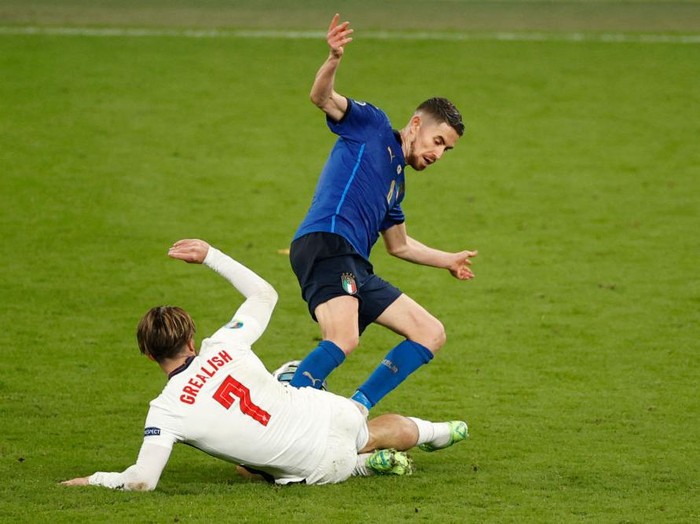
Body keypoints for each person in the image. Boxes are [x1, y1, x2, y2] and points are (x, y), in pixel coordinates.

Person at [61, 239, 468, 490]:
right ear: (191, 339)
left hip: (319, 467)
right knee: (319, 396)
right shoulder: (225, 343)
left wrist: (95, 479)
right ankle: (434, 431)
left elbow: (141, 481)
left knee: (253, 462)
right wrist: (210, 255)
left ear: (148, 355)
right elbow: (264, 294)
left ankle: (363, 466)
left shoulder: (166, 411)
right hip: (331, 414)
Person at [289, 14, 478, 412]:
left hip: (355, 264)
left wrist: (448, 259)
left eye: (447, 149)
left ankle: (355, 411)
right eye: (437, 141)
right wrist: (333, 58)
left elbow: (400, 245)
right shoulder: (372, 126)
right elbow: (322, 98)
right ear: (416, 124)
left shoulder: (397, 184)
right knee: (344, 338)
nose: (439, 154)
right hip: (327, 242)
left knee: (430, 332)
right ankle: (283, 411)